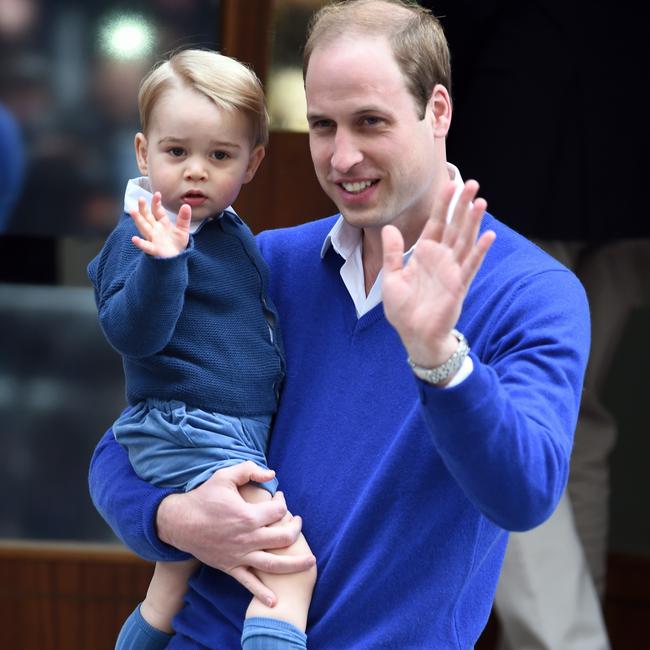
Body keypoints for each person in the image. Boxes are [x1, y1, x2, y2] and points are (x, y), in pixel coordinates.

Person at [88, 1, 591, 647]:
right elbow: (122, 449)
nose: (342, 155)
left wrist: (439, 357)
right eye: (323, 124)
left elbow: (525, 496)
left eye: (370, 122)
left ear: (438, 110)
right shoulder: (265, 262)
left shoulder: (533, 291)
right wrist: (173, 517)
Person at [430, 1, 650, 647]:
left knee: (497, 414)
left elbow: (443, 33)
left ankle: (567, 640)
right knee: (574, 421)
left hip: (516, 147)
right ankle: (574, 631)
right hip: (627, 167)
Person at [87, 49, 316, 650]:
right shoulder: (145, 233)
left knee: (172, 586)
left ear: (253, 162)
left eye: (219, 156)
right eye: (176, 151)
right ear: (143, 152)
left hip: (221, 427)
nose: (195, 171)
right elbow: (131, 333)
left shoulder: (230, 232)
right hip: (191, 426)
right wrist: (164, 265)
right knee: (288, 571)